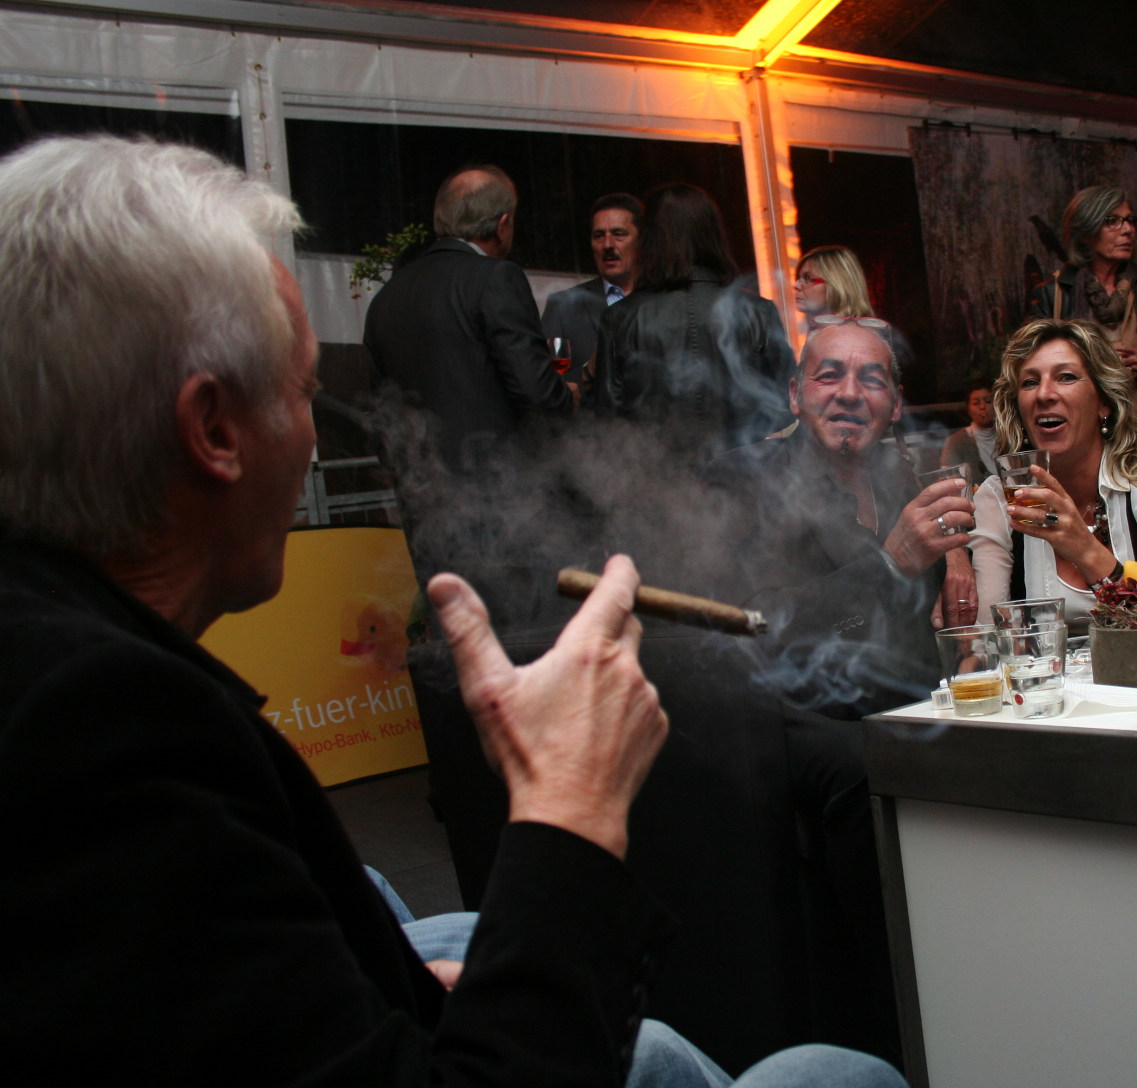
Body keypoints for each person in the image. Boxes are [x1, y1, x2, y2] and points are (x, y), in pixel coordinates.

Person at [0, 136, 904, 1088]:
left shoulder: (64, 658)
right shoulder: (107, 740)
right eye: (302, 392)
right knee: (840, 1076)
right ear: (213, 429)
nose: (313, 441)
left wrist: (393, 984)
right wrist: (570, 807)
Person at [704, 317, 978, 716]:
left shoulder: (900, 474)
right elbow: (750, 631)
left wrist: (954, 556)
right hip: (810, 732)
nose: (849, 394)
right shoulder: (743, 479)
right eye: (829, 376)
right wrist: (890, 565)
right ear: (796, 395)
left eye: (872, 380)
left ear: (895, 405)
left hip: (923, 719)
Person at [968, 318, 1137, 628]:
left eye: (1066, 377)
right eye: (1029, 382)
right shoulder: (1000, 499)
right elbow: (986, 635)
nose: (1044, 394)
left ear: (1104, 402)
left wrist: (1085, 550)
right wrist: (954, 552)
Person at [364, 163, 573, 471]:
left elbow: (382, 411)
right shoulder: (495, 278)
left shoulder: (386, 297)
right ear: (503, 224)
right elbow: (537, 394)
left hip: (419, 486)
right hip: (492, 485)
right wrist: (566, 397)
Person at [592, 182, 795, 461]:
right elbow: (788, 404)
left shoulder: (620, 317)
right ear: (712, 236)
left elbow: (607, 419)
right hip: (741, 476)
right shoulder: (758, 311)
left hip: (654, 477)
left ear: (650, 241)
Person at [1029, 184, 1137, 458]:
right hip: (1086, 437)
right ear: (1086, 230)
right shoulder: (1054, 294)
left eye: (1131, 220)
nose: (1128, 229)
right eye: (1113, 221)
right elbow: (1030, 369)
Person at [542, 191, 644, 401]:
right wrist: (589, 373)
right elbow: (546, 387)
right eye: (598, 236)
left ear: (642, 240)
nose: (607, 245)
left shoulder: (663, 301)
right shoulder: (563, 307)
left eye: (618, 234)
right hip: (592, 421)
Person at [794, 244, 875, 325]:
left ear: (837, 284)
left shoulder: (849, 332)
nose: (796, 285)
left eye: (808, 278)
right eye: (798, 278)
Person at [939, 380, 1000, 483]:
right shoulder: (956, 441)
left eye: (988, 401)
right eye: (976, 403)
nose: (982, 407)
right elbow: (948, 481)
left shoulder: (1009, 434)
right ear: (968, 409)